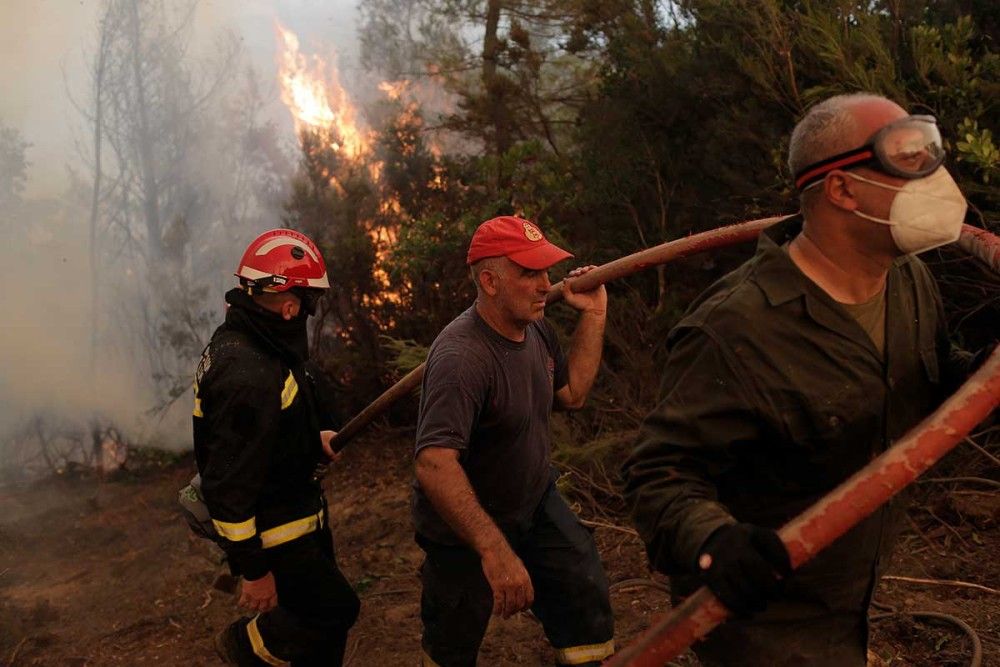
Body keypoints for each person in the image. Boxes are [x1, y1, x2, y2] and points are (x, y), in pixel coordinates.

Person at [622, 93, 982, 665]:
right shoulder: (734, 329)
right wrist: (715, 543)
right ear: (841, 189)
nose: (933, 175)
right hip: (764, 627)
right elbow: (658, 475)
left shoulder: (910, 280)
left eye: (930, 152)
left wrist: (982, 371)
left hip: (851, 601)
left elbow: (932, 374)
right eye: (906, 157)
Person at [412, 216, 615, 666]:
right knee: (452, 644)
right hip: (463, 527)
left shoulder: (536, 326)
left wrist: (595, 313)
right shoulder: (461, 358)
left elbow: (573, 393)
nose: (546, 285)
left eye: (546, 271)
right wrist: (494, 551)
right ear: (489, 280)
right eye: (529, 273)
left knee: (584, 595)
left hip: (533, 502)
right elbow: (434, 464)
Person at [193, 228, 360, 666]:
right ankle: (245, 646)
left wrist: (314, 438)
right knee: (337, 609)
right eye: (308, 302)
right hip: (275, 535)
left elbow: (271, 429)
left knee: (322, 635)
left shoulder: (264, 344)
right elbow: (227, 485)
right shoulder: (246, 373)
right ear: (289, 306)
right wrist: (253, 570)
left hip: (301, 517)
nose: (309, 311)